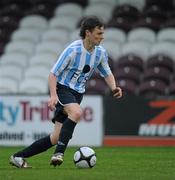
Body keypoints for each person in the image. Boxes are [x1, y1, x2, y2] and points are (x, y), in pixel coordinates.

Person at [9, 16, 122, 168]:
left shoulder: (100, 53)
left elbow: (106, 72)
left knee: (56, 137)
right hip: (63, 89)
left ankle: (18, 157)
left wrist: (114, 87)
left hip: (77, 93)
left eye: (102, 33)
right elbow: (53, 74)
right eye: (99, 33)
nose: (102, 37)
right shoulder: (73, 50)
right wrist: (53, 96)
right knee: (76, 113)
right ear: (88, 33)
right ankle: (59, 153)